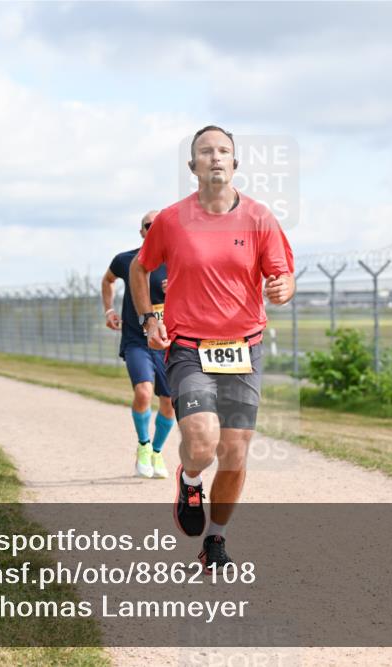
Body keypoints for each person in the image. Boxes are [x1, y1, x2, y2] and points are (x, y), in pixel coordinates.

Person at [130, 125, 295, 571]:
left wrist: (283, 288)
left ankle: (216, 539)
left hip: (244, 347)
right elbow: (139, 269)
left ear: (235, 163)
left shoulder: (260, 218)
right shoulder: (171, 220)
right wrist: (150, 319)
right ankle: (188, 478)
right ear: (193, 166)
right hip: (188, 346)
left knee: (236, 452)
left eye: (224, 151)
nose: (216, 157)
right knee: (202, 442)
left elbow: (282, 275)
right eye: (206, 151)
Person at [102, 210, 176, 479]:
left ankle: (157, 451)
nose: (153, 228)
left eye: (159, 225)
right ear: (142, 231)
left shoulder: (178, 261)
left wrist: (179, 286)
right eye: (148, 225)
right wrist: (109, 311)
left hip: (168, 342)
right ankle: (143, 446)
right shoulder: (126, 260)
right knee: (144, 393)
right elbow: (107, 280)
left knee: (169, 403)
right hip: (137, 339)